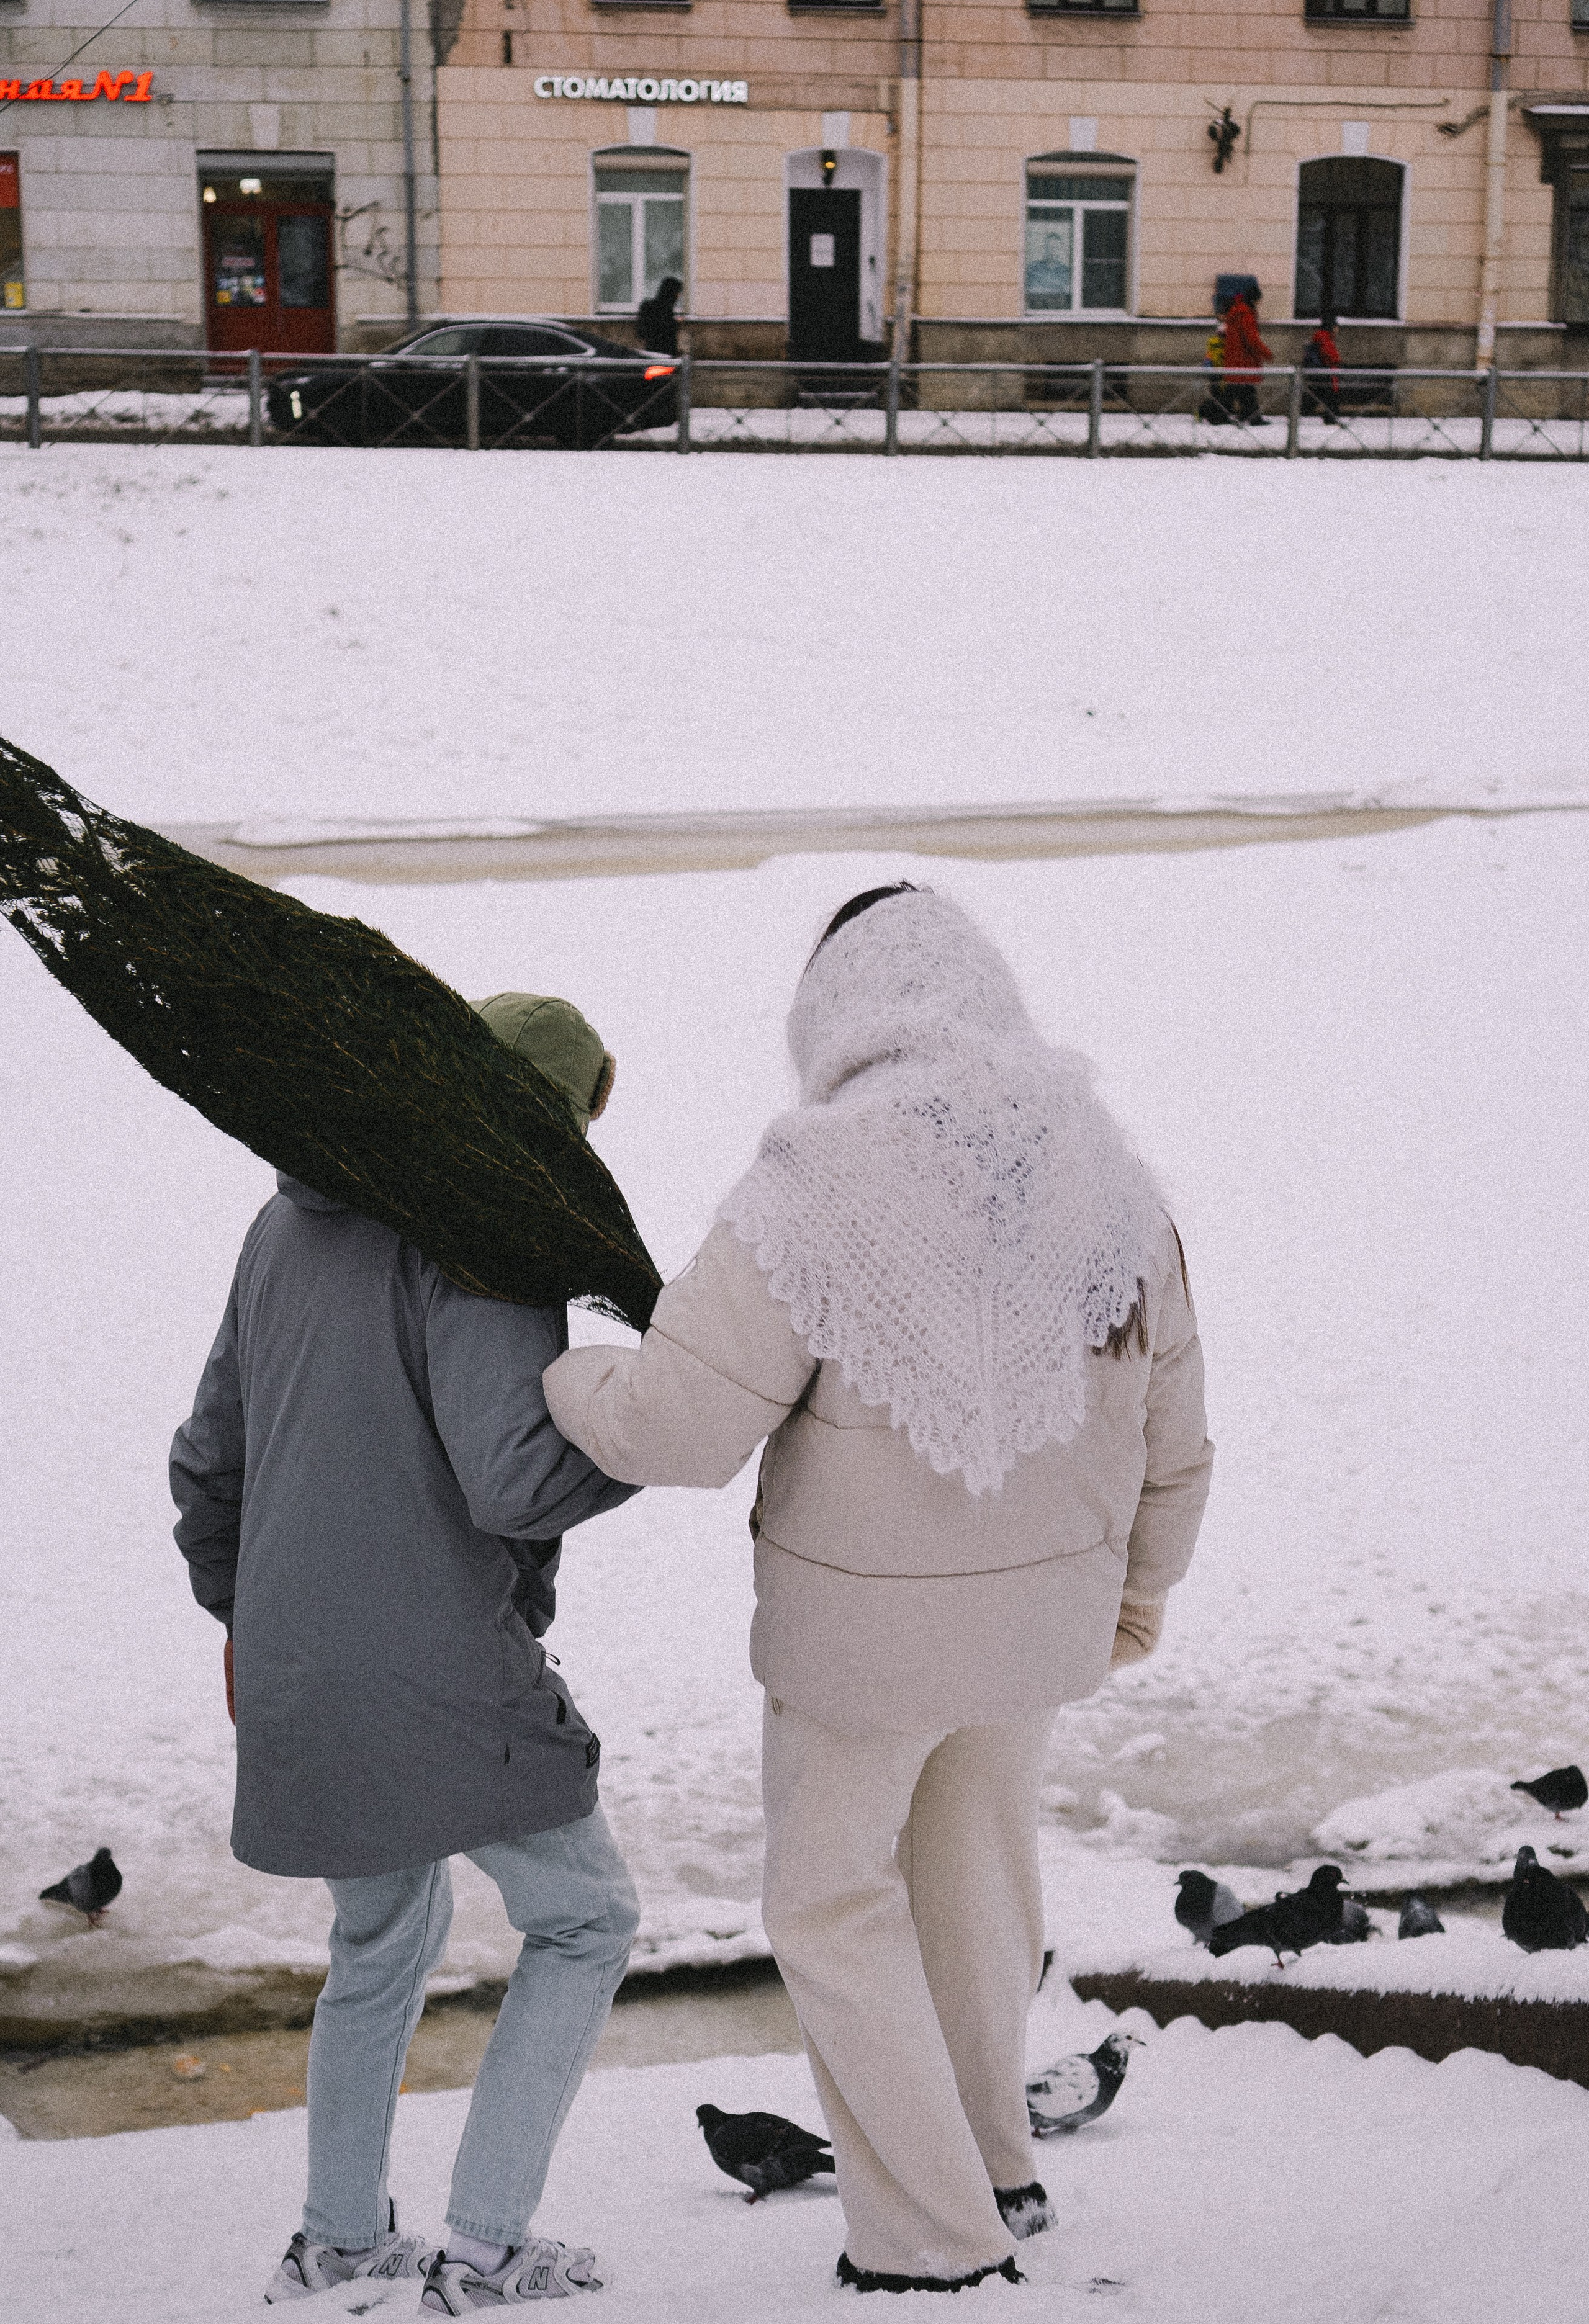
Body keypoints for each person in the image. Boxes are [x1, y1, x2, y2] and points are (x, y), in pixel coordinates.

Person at [544, 886, 1213, 2295]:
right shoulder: (1105, 1170)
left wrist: (567, 1364)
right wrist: (1133, 1596)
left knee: (831, 1904)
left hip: (858, 1650)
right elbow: (1174, 1432)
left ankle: (930, 2236)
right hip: (1038, 1631)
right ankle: (996, 2168)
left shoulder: (813, 1178)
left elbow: (673, 1428)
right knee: (975, 1879)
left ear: (832, 1013)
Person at [171, 992, 639, 2313]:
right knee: (586, 1918)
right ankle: (483, 2251)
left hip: (304, 1667)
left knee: (379, 1936)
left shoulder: (285, 1222)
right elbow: (515, 1482)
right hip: (435, 1666)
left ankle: (337, 2240)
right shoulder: (482, 1234)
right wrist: (647, 1434)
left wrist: (244, 1625)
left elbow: (210, 1462)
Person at [1220, 279, 1271, 424]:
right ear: (1254, 300)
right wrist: (1266, 353)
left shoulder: (1238, 312)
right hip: (1244, 360)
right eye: (1258, 301)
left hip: (1236, 358)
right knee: (1245, 391)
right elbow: (1252, 339)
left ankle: (1247, 416)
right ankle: (1252, 418)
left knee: (1239, 391)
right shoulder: (1246, 315)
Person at [1302, 308, 1342, 423]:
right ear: (1332, 327)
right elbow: (1329, 353)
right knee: (1330, 397)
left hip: (1323, 371)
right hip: (1325, 372)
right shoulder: (1325, 337)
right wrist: (1338, 360)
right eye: (1336, 327)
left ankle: (1327, 417)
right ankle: (1331, 418)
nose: (1338, 329)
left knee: (1319, 394)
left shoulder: (1321, 335)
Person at [635, 274, 683, 355]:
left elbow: (642, 333)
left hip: (652, 353)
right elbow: (667, 330)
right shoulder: (666, 310)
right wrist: (676, 323)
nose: (679, 296)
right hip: (665, 355)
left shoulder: (648, 307)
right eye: (678, 293)